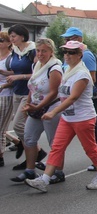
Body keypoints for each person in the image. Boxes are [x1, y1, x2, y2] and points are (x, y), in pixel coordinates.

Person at [24, 41, 97, 192]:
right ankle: (44, 180)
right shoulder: (68, 71)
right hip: (68, 118)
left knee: (90, 148)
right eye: (65, 52)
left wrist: (53, 112)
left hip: (83, 118)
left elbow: (73, 97)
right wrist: (40, 106)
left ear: (79, 55)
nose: (67, 55)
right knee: (57, 147)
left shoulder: (82, 74)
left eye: (71, 52)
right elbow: (62, 95)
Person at [11, 38, 63, 183]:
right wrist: (27, 105)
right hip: (35, 107)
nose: (40, 54)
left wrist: (38, 107)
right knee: (28, 138)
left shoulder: (55, 68)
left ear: (51, 52)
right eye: (38, 51)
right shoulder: (37, 65)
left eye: (44, 51)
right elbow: (32, 87)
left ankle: (58, 172)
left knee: (54, 142)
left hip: (50, 107)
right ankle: (30, 170)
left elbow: (53, 92)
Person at [60, 27, 97, 171]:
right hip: (71, 98)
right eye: (66, 39)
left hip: (85, 98)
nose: (67, 41)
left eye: (70, 38)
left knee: (94, 130)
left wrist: (76, 91)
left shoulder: (86, 55)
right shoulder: (69, 55)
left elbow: (92, 78)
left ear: (79, 39)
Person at [6, 24, 47, 170]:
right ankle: (33, 154)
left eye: (13, 36)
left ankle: (35, 151)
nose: (11, 39)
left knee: (18, 125)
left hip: (27, 93)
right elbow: (13, 72)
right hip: (16, 92)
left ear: (22, 36)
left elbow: (37, 73)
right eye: (10, 36)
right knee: (19, 126)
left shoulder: (32, 51)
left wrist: (20, 77)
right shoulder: (15, 52)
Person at [0, 31, 14, 167]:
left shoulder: (10, 59)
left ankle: (0, 156)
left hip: (5, 95)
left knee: (1, 127)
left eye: (1, 40)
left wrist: (4, 83)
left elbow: (16, 77)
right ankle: (17, 142)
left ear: (8, 43)